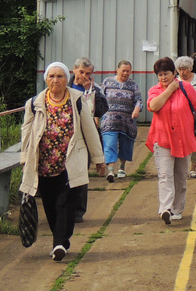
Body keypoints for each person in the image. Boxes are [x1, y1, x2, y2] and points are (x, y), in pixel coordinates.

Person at [21, 62, 107, 261]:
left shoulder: (76, 100)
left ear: (66, 78)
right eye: (51, 76)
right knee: (50, 205)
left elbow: (89, 130)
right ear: (46, 80)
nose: (55, 80)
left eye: (60, 76)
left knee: (64, 204)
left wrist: (98, 159)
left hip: (69, 162)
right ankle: (62, 239)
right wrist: (25, 157)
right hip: (43, 164)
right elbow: (26, 132)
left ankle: (59, 244)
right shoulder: (34, 103)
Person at [146, 56, 196, 224]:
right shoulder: (155, 91)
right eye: (160, 74)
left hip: (183, 140)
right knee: (165, 176)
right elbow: (154, 106)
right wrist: (169, 91)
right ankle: (165, 209)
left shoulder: (186, 88)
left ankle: (178, 209)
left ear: (174, 73)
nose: (163, 77)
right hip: (162, 141)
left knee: (180, 177)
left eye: (166, 73)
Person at [69, 57, 107, 223]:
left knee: (80, 173)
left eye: (88, 73)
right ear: (74, 70)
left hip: (84, 137)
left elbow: (101, 110)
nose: (83, 76)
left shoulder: (95, 88)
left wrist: (90, 92)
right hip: (64, 136)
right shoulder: (64, 84)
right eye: (81, 72)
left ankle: (77, 211)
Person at [100, 60, 142, 183]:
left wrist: (136, 110)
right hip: (109, 121)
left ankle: (122, 168)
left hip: (127, 121)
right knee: (110, 144)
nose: (125, 73)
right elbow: (100, 98)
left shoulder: (133, 85)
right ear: (117, 70)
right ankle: (111, 171)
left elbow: (139, 100)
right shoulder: (108, 81)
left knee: (125, 144)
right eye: (123, 70)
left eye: (128, 71)